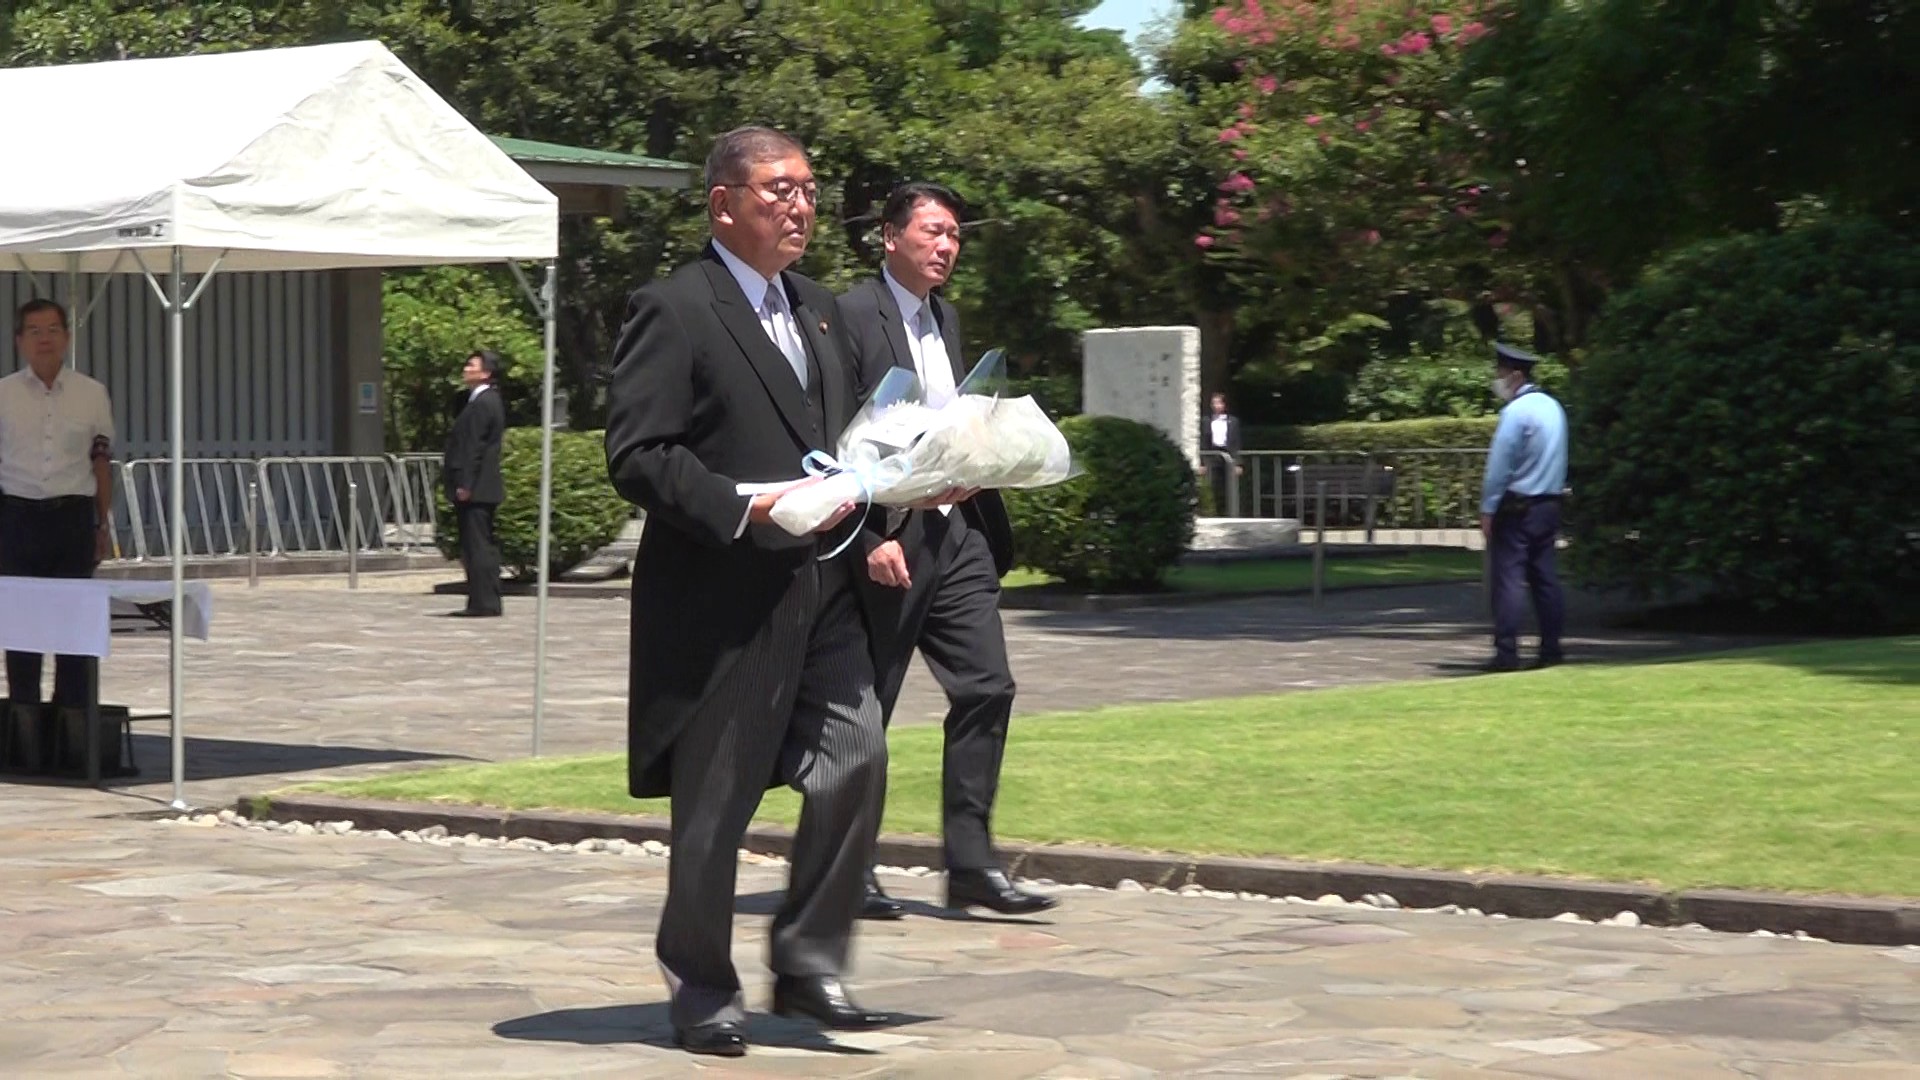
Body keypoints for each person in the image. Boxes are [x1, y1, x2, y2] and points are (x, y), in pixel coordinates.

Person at [604, 126, 901, 1057]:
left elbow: (855, 439)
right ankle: (699, 981)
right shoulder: (674, 308)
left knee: (858, 761)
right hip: (723, 599)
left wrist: (920, 477)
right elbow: (639, 454)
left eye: (810, 189)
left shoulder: (821, 311)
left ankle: (809, 959)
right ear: (723, 202)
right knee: (716, 807)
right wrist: (745, 508)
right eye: (778, 189)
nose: (799, 205)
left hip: (825, 590)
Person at [839, 182, 1057, 919]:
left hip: (958, 531)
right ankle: (848, 868)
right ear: (889, 236)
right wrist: (868, 536)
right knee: (868, 707)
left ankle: (971, 865)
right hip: (887, 533)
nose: (947, 246)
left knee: (987, 687)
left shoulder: (947, 318)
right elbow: (833, 436)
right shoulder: (847, 316)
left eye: (955, 235)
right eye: (934, 231)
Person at [0, 299, 115, 711]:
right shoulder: (4, 395)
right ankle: (24, 727)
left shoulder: (91, 394)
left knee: (73, 629)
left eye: (52, 329)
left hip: (71, 517)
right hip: (16, 517)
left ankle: (73, 727)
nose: (44, 338)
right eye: (34, 330)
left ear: (66, 337)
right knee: (21, 629)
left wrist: (102, 524)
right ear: (19, 341)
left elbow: (101, 463)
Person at [1478, 342, 1569, 672]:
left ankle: (1506, 652)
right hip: (1549, 502)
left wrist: (1488, 508)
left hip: (1516, 506)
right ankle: (1551, 649)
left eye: (1500, 373)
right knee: (1545, 578)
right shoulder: (1554, 407)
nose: (1497, 379)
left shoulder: (1515, 412)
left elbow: (1499, 467)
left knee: (1509, 580)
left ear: (1515, 375)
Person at [442, 349, 506, 618]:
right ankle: (484, 599)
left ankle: (483, 602)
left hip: (477, 488)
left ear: (485, 372)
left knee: (477, 545)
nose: (466, 369)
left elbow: (474, 448)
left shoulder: (483, 403)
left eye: (472, 365)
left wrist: (465, 483)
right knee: (478, 544)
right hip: (480, 486)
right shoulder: (480, 401)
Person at [1203, 391, 1242, 515]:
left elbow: (1236, 442)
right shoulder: (1206, 421)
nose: (1216, 406)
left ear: (1224, 405)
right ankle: (1211, 511)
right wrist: (1202, 462)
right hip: (1212, 454)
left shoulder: (1233, 421)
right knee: (1211, 485)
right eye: (1214, 403)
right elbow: (1203, 441)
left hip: (1227, 453)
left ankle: (1229, 512)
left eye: (1219, 403)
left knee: (1229, 486)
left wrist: (1238, 463)